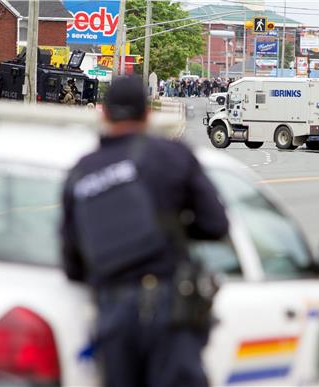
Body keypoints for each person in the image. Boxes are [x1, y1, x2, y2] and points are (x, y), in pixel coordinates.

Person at [60, 76, 229, 387]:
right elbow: (216, 224)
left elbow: (72, 263)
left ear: (104, 114)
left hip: (112, 310)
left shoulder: (81, 171)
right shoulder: (173, 156)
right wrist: (172, 230)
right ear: (148, 114)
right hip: (170, 306)